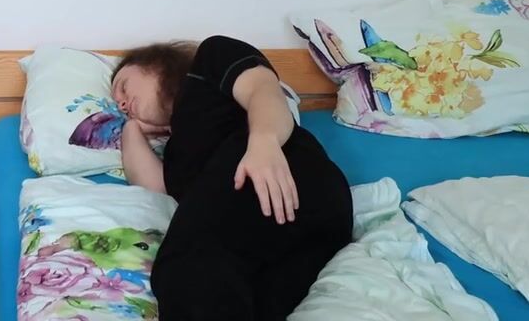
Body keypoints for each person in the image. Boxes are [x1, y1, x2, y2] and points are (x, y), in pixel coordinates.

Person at [113, 35, 353, 320]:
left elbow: (263, 90)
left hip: (276, 170)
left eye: (123, 87)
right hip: (301, 229)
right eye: (118, 104)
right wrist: (130, 128)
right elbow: (154, 187)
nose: (123, 103)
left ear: (155, 64)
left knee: (188, 271)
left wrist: (263, 142)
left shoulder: (209, 61)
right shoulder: (177, 153)